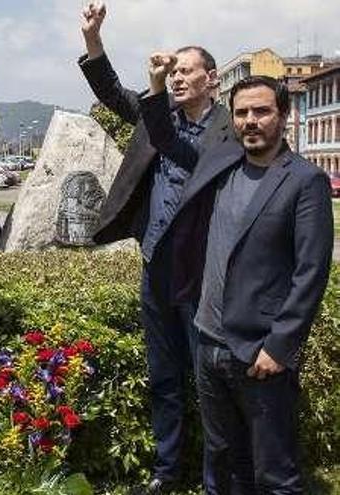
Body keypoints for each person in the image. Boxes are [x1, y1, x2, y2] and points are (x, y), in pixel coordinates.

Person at [142, 70, 334, 494]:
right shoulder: (220, 166)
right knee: (224, 466)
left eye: (262, 111)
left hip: (260, 354)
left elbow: (311, 273)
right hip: (208, 344)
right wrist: (157, 87)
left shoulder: (306, 181)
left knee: (275, 474)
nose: (251, 120)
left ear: (283, 115)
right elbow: (166, 139)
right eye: (242, 112)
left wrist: (280, 347)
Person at [78, 3, 233, 491]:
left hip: (203, 271)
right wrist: (94, 41)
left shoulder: (229, 128)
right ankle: (166, 473)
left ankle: (216, 480)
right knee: (163, 376)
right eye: (173, 70)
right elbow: (110, 92)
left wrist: (156, 91)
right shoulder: (155, 114)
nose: (177, 77)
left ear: (211, 78)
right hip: (156, 265)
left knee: (209, 383)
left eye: (186, 70)